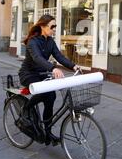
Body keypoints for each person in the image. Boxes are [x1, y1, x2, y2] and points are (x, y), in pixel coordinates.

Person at [19, 14, 80, 146]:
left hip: (41, 73)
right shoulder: (32, 41)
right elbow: (37, 58)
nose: (54, 29)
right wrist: (53, 69)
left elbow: (59, 56)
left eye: (55, 27)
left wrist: (73, 66)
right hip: (28, 74)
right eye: (52, 26)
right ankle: (26, 108)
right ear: (43, 26)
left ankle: (48, 132)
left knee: (51, 96)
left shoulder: (50, 41)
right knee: (45, 92)